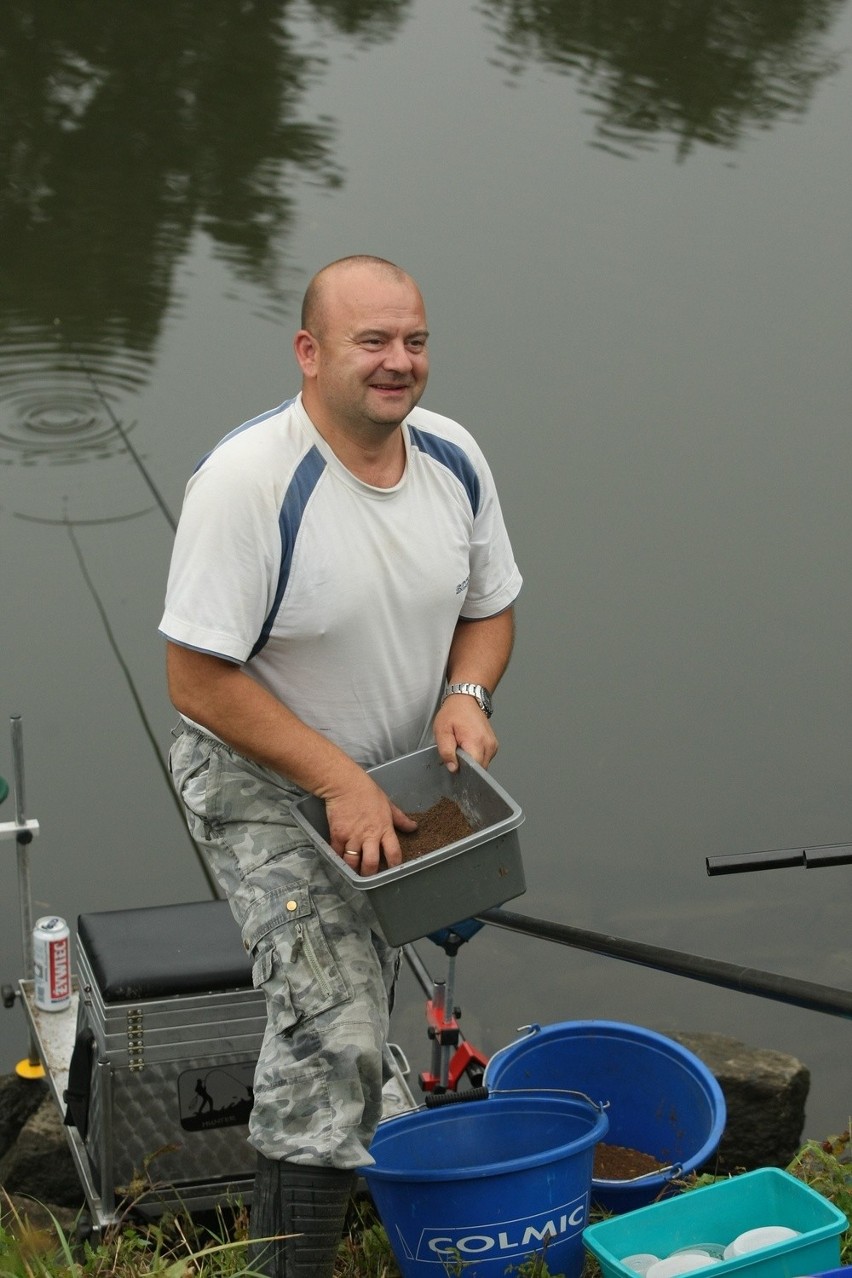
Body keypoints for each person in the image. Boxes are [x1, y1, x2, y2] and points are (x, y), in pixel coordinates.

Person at [159, 255, 522, 1277]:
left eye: (413, 340)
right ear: (310, 354)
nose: (398, 362)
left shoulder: (453, 457)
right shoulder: (246, 483)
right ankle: (295, 1262)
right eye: (372, 342)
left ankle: (346, 1177)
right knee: (335, 1028)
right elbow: (196, 681)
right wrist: (337, 780)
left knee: (362, 993)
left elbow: (490, 606)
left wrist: (469, 693)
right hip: (259, 779)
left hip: (401, 776)